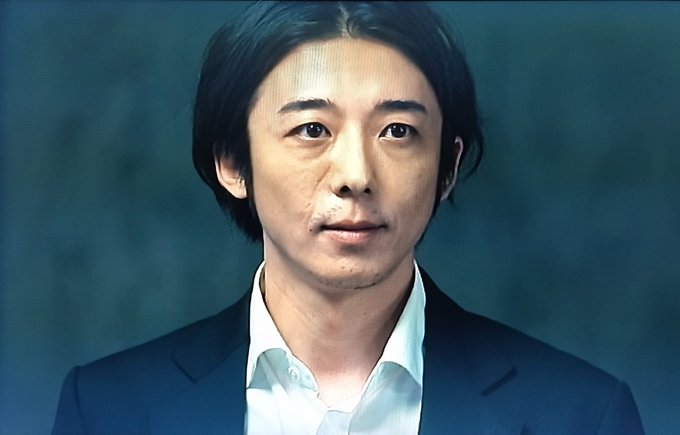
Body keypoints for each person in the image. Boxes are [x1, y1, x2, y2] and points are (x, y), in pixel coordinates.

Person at [52, 2, 645, 434]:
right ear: (232, 162)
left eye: (398, 131)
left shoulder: (581, 415)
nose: (356, 174)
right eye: (312, 129)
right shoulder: (108, 409)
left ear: (447, 167)